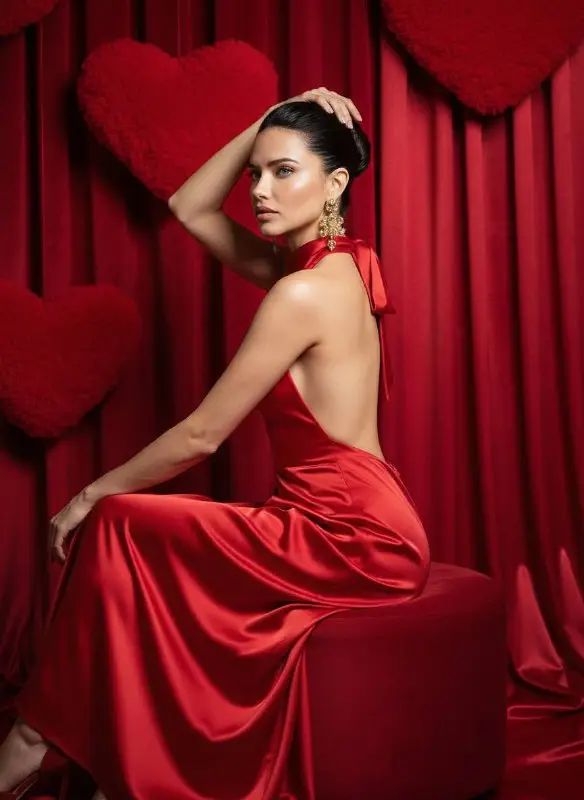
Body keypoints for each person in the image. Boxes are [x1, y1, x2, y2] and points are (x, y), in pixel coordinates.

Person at [0, 88, 430, 800]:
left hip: (345, 536)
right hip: (366, 523)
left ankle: (32, 740)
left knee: (115, 522)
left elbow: (202, 434)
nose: (257, 190)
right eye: (255, 172)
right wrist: (271, 118)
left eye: (282, 172)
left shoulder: (301, 294)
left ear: (336, 184)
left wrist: (89, 492)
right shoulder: (340, 265)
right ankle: (67, 742)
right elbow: (188, 209)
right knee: (140, 547)